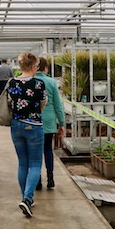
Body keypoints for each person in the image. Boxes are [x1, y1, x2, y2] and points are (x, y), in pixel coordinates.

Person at [6, 51, 47, 218]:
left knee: (23, 163)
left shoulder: (12, 82)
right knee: (36, 164)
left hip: (15, 125)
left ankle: (25, 197)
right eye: (36, 66)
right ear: (31, 66)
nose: (37, 68)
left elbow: (9, 103)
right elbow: (43, 103)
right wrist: (34, 113)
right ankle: (28, 199)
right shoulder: (38, 84)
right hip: (34, 126)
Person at [34, 57, 65, 190]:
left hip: (35, 121)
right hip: (49, 121)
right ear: (46, 68)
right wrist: (62, 123)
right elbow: (58, 105)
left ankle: (38, 180)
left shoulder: (32, 81)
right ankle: (51, 178)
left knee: (36, 152)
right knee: (48, 150)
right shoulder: (52, 82)